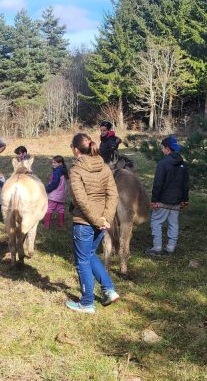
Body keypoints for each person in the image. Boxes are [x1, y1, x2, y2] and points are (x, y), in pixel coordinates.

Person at [66, 133, 120, 314]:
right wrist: (106, 218)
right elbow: (113, 195)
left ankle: (87, 302)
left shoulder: (75, 169)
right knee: (89, 255)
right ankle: (109, 290)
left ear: (75, 149)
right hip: (101, 222)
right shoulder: (104, 167)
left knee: (82, 260)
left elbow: (80, 200)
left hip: (85, 223)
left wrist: (99, 220)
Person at [145, 136, 189, 256]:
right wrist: (185, 200)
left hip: (163, 201)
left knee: (156, 222)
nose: (162, 150)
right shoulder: (184, 165)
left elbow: (158, 183)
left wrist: (154, 200)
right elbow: (186, 184)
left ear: (168, 149)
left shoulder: (163, 163)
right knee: (174, 223)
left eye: (163, 148)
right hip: (177, 201)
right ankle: (170, 248)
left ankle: (157, 248)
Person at [43, 155, 68, 229]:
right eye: (52, 162)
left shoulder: (57, 171)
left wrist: (46, 189)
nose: (53, 164)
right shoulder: (64, 171)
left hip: (54, 194)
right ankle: (61, 224)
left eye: (55, 163)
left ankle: (46, 225)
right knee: (61, 208)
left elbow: (54, 183)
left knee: (50, 208)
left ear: (60, 163)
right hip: (61, 195)